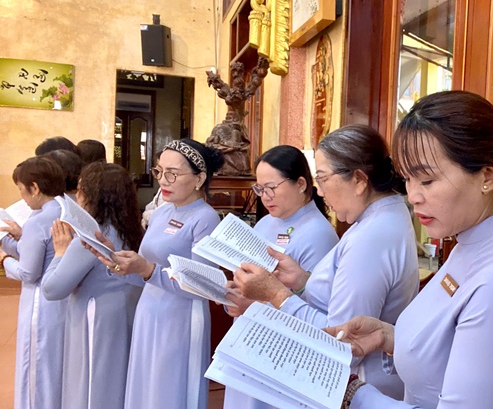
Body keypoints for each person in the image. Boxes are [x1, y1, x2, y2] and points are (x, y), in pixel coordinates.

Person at [326, 91, 493, 409]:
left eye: (427, 180)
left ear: (487, 176)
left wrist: (355, 394)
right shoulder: (472, 241)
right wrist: (387, 337)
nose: (413, 196)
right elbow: (453, 346)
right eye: (407, 179)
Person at [232, 125, 419, 400]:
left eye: (322, 178)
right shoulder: (377, 218)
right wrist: (301, 280)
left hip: (357, 385)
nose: (318, 191)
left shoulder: (372, 236)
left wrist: (276, 295)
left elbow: (344, 341)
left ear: (358, 180)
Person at [85, 139, 224, 409]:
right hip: (149, 309)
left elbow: (203, 284)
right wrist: (116, 260)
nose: (163, 180)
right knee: (145, 385)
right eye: (160, 171)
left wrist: (148, 270)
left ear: (199, 179)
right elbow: (144, 271)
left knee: (169, 389)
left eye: (173, 173)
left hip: (181, 316)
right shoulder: (161, 213)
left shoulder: (205, 218)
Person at [223, 145, 339, 409]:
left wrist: (252, 304)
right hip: (249, 338)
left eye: (272, 187)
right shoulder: (266, 223)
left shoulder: (319, 233)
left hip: (281, 350)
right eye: (260, 189)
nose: (265, 197)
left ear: (301, 184)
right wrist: (235, 291)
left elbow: (314, 308)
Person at [41, 162, 143, 409]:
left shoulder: (91, 237)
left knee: (92, 383)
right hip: (126, 312)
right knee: (118, 381)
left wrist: (60, 252)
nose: (77, 196)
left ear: (93, 195)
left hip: (96, 316)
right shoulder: (134, 229)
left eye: (80, 189)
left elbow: (52, 289)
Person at [0, 157, 68, 409]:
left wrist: (4, 259)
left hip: (40, 303)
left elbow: (29, 272)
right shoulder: (65, 209)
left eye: (21, 189)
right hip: (63, 301)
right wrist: (13, 240)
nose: (22, 197)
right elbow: (35, 251)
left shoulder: (38, 221)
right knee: (56, 365)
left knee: (36, 366)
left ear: (35, 188)